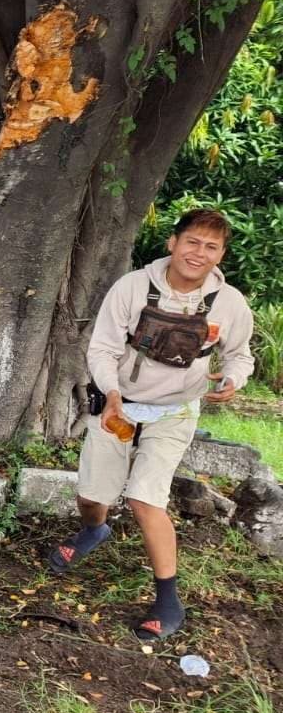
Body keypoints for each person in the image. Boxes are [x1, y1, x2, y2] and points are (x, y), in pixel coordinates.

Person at [48, 209, 254, 641]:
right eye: (192, 242)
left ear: (221, 255)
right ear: (173, 244)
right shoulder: (134, 287)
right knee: (91, 495)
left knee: (145, 499)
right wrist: (112, 394)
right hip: (118, 405)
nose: (199, 253)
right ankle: (93, 529)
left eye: (211, 247)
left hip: (175, 410)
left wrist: (234, 379)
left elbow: (240, 354)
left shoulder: (230, 303)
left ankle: (168, 602)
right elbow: (102, 348)